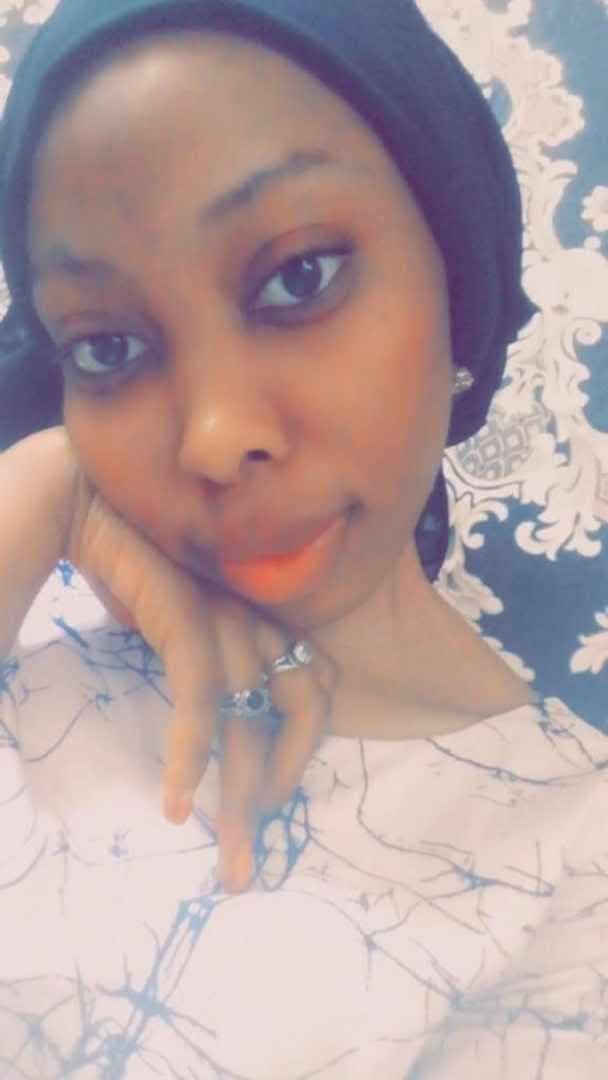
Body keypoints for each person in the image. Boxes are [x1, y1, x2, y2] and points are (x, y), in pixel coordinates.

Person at [0, 1, 606, 1076]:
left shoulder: (568, 867)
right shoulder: (31, 608)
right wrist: (47, 490)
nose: (213, 436)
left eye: (299, 277)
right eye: (106, 348)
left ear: (456, 280)